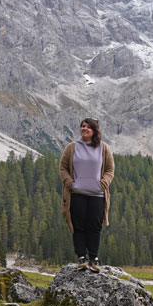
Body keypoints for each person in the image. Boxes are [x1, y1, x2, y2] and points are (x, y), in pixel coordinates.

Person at [59, 117, 115, 272]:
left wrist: (103, 184)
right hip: (77, 194)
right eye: (82, 126)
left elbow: (110, 169)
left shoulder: (104, 148)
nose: (84, 129)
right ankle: (81, 257)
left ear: (94, 130)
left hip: (97, 195)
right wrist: (70, 183)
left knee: (95, 226)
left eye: (88, 127)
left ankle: (94, 258)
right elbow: (63, 167)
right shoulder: (72, 147)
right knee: (78, 226)